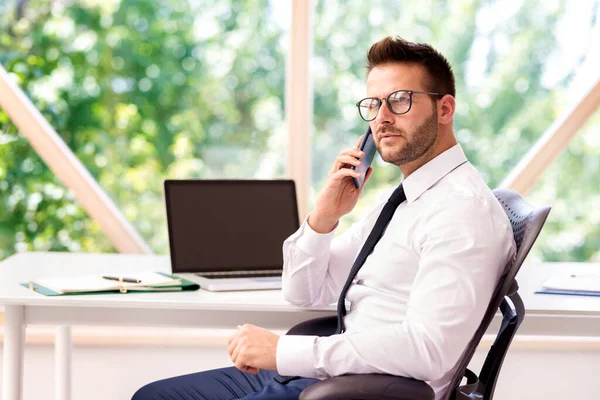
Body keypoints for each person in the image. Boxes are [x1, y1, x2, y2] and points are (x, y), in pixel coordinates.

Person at [132, 36, 516, 400]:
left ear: (444, 108)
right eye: (373, 104)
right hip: (330, 371)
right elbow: (304, 292)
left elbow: (428, 350)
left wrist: (286, 351)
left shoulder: (461, 212)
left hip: (364, 390)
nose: (382, 118)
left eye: (399, 100)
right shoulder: (404, 198)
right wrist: (324, 216)